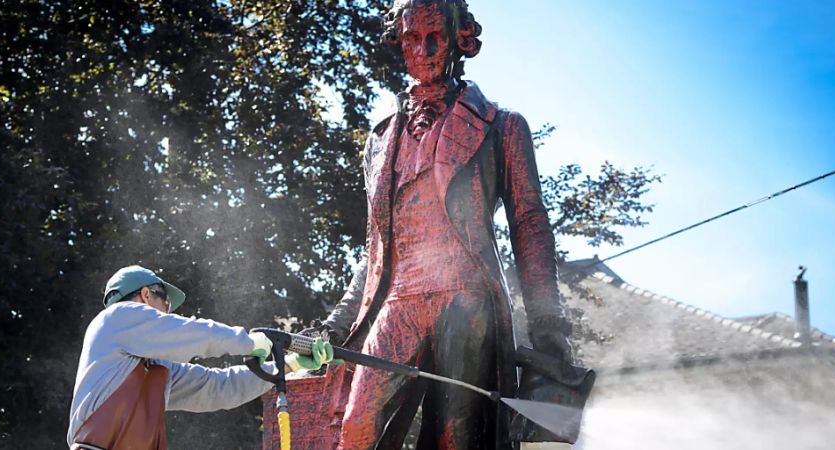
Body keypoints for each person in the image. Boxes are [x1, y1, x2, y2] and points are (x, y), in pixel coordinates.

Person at [313, 0, 575, 448]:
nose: (425, 49)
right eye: (412, 37)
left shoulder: (503, 127)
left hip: (466, 299)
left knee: (458, 437)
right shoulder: (380, 139)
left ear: (461, 38)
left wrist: (548, 326)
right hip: (398, 302)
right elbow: (377, 247)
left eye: (436, 35)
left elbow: (530, 227)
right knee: (355, 425)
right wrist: (336, 325)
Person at [67, 265, 333, 450]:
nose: (168, 313)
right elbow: (194, 333)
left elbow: (219, 387)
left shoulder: (155, 369)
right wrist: (249, 342)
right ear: (146, 295)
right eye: (166, 305)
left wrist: (288, 364)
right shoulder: (117, 317)